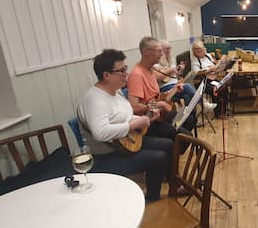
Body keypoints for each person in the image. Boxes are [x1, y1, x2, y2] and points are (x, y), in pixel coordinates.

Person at [77, 49, 173, 201]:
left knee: (168, 144)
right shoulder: (94, 99)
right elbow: (100, 133)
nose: (126, 74)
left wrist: (148, 118)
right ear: (106, 75)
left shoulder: (116, 92)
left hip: (126, 142)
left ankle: (173, 186)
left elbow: (126, 116)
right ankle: (151, 200)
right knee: (158, 158)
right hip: (108, 154)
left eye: (125, 69)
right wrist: (133, 123)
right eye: (121, 71)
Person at [127, 37, 196, 143]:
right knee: (186, 137)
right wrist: (160, 105)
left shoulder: (150, 70)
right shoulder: (137, 75)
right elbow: (134, 107)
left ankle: (174, 149)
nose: (161, 54)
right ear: (146, 52)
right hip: (149, 122)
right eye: (159, 51)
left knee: (191, 119)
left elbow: (157, 98)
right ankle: (172, 151)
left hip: (159, 115)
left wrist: (174, 90)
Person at [191, 40, 228, 117]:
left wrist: (219, 65)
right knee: (217, 89)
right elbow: (197, 72)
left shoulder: (208, 55)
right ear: (194, 51)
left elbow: (214, 64)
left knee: (224, 87)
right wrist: (209, 69)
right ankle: (218, 113)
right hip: (202, 82)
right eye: (197, 50)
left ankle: (223, 110)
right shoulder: (195, 60)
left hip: (212, 79)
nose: (200, 51)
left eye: (201, 49)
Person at [155, 39, 196, 105]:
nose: (168, 50)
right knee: (187, 86)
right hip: (165, 87)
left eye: (169, 48)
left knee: (186, 97)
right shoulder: (156, 63)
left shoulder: (171, 60)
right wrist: (171, 70)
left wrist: (181, 69)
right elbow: (157, 78)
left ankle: (190, 115)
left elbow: (176, 75)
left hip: (175, 84)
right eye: (166, 49)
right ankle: (199, 102)